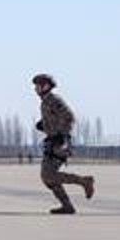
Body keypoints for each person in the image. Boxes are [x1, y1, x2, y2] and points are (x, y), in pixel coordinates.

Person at [32, 74, 95, 214]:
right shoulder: (45, 102)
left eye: (38, 85)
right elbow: (57, 118)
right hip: (53, 141)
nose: (35, 89)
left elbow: (69, 117)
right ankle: (67, 205)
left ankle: (84, 181)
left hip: (60, 143)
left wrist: (61, 135)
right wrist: (45, 125)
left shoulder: (53, 100)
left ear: (46, 86)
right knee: (48, 177)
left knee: (48, 175)